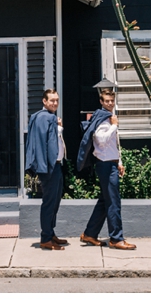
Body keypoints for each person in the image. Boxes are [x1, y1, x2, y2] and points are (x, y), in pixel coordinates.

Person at [77, 88, 136, 250]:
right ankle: (116, 239)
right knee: (113, 203)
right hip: (104, 165)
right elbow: (101, 140)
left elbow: (114, 144)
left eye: (112, 100)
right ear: (101, 102)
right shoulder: (103, 119)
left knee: (105, 201)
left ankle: (90, 234)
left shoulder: (109, 118)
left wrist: (119, 161)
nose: (110, 103)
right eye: (107, 101)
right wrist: (114, 126)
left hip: (111, 163)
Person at [25, 89, 68, 250]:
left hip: (55, 165)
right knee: (49, 202)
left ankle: (50, 232)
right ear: (44, 101)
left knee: (55, 200)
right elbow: (46, 142)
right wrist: (59, 128)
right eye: (51, 100)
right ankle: (45, 237)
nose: (55, 103)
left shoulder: (47, 117)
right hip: (49, 167)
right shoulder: (45, 118)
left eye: (57, 100)